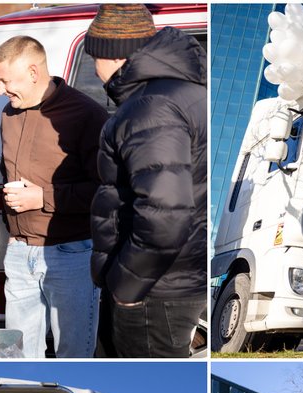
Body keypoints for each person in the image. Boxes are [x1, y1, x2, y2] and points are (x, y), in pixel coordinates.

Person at [85, 4, 207, 358]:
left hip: (154, 291)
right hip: (170, 282)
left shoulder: (150, 106)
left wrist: (127, 285)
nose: (94, 68)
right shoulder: (183, 92)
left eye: (95, 55)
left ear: (113, 55)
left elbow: (165, 211)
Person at [0, 36, 108, 358]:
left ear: (32, 72)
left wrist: (43, 197)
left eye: (5, 81)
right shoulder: (8, 114)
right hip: (18, 251)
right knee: (16, 357)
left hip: (70, 255)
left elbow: (106, 190)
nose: (1, 91)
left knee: (74, 354)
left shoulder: (87, 115)